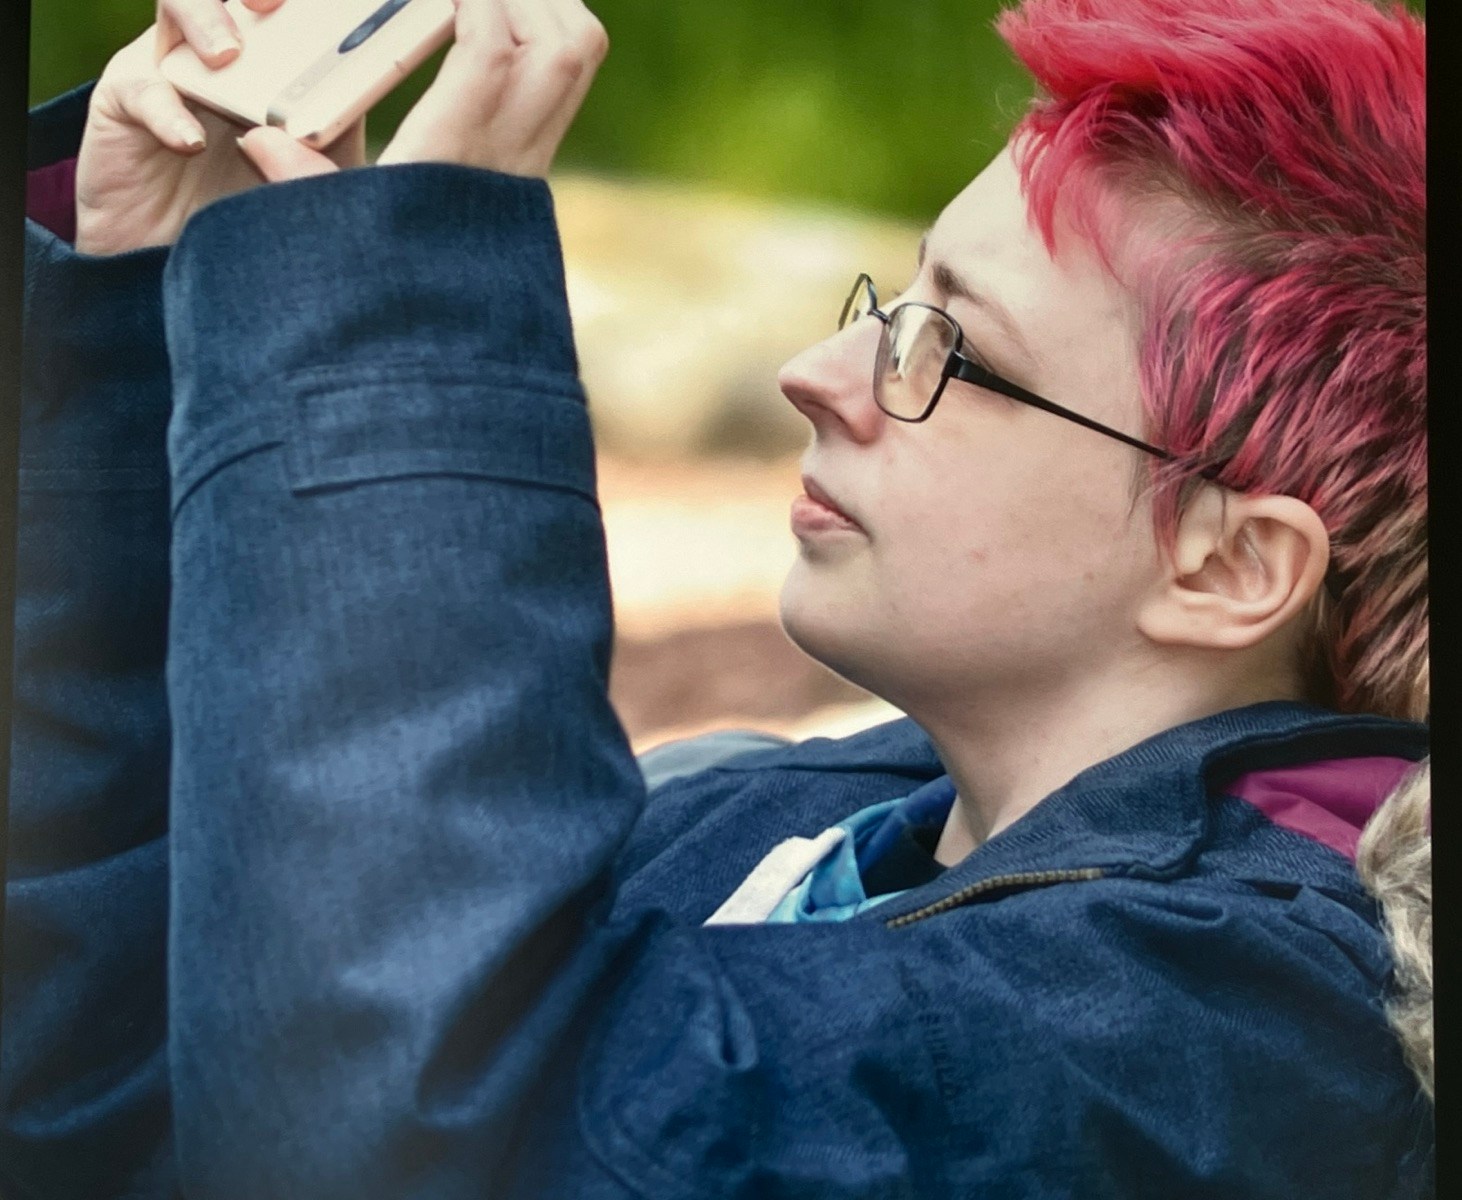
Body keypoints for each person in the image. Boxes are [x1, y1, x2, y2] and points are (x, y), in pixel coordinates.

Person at [3, 0, 1431, 1196]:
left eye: (950, 351)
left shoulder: (1231, 1040)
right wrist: (147, 318)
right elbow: (107, 1112)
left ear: (1228, 567)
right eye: (893, 304)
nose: (816, 374)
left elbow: (422, 1134)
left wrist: (393, 321)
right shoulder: (769, 818)